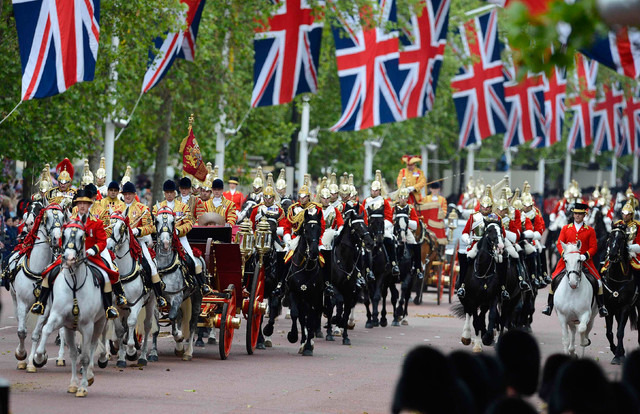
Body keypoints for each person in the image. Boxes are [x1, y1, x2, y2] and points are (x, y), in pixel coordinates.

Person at [31, 190, 121, 319]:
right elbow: (62, 239)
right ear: (77, 205)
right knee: (48, 272)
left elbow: (102, 241)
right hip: (71, 257)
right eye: (80, 203)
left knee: (106, 276)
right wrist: (65, 248)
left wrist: (94, 250)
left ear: (89, 205)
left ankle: (108, 307)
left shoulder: (97, 222)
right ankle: (41, 303)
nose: (82, 206)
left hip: (91, 257)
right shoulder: (70, 221)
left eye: (85, 203)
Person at [542, 202, 608, 317]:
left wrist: (585, 256)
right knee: (554, 279)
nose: (577, 216)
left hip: (585, 261)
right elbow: (559, 244)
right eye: (576, 213)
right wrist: (564, 254)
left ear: (584, 215)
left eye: (580, 214)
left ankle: (601, 307)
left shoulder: (590, 230)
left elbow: (594, 247)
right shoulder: (565, 229)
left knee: (598, 281)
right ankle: (549, 305)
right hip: (567, 260)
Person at [153, 180, 211, 295]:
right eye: (167, 192)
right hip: (163, 239)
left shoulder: (183, 207)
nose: (169, 195)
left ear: (175, 193)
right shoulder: (157, 207)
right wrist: (162, 232)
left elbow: (189, 223)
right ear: (164, 193)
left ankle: (202, 284)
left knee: (193, 261)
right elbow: (153, 225)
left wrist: (178, 231)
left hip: (180, 238)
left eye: (171, 192)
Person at [457, 185, 509, 300]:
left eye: (487, 207)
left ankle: (503, 288)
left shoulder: (496, 218)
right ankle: (462, 285)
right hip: (476, 243)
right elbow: (465, 232)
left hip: (492, 246)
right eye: (483, 207)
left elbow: (502, 234)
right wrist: (467, 239)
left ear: (491, 207)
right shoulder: (473, 217)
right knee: (467, 259)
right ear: (480, 206)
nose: (485, 209)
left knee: (502, 260)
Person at [121, 182, 167, 307]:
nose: (127, 196)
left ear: (134, 194)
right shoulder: (117, 209)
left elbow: (151, 227)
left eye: (129, 194)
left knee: (151, 266)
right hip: (121, 243)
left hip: (138, 242)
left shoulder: (143, 209)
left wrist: (139, 231)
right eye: (125, 194)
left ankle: (158, 296)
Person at [364, 170, 400, 277]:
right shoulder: (366, 201)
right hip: (370, 227)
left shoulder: (384, 202)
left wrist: (382, 226)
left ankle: (394, 264)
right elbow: (363, 215)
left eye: (376, 191)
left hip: (381, 227)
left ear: (379, 191)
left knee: (390, 239)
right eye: (373, 190)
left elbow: (389, 216)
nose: (374, 192)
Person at [394, 178, 423, 280]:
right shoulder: (394, 207)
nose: (402, 199)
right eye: (401, 197)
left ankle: (417, 268)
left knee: (415, 244)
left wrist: (406, 221)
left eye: (404, 198)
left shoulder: (410, 208)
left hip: (407, 231)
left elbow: (415, 223)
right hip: (395, 230)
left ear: (407, 199)